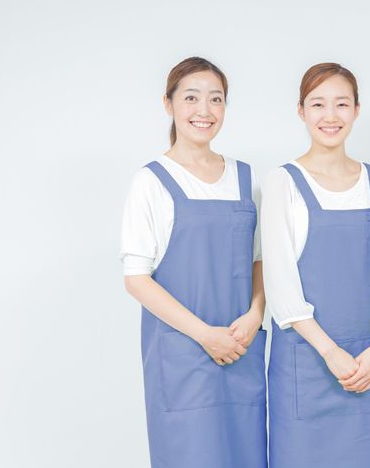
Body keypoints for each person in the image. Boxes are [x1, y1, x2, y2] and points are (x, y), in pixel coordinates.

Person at [120, 57, 267, 468]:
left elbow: (259, 259)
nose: (204, 110)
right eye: (191, 98)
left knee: (245, 455)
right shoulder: (151, 181)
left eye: (215, 99)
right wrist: (204, 335)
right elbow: (136, 279)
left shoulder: (246, 178)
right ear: (168, 104)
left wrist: (255, 314)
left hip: (239, 349)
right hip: (182, 356)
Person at [261, 63, 370, 468]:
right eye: (318, 104)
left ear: (357, 110)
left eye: (341, 104)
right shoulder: (283, 182)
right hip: (305, 362)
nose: (330, 115)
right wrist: (330, 352)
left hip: (367, 362)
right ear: (301, 111)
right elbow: (280, 284)